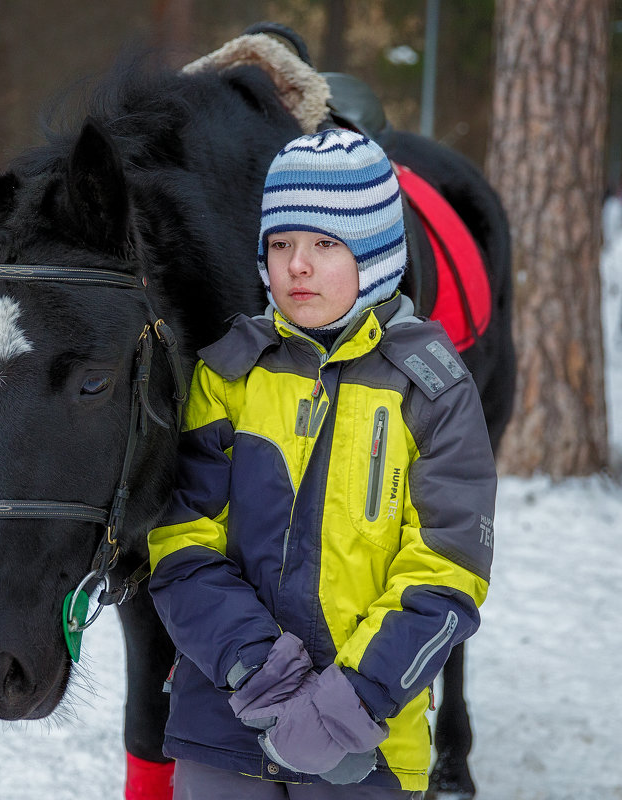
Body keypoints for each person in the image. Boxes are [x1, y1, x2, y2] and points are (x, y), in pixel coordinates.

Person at [147, 129, 496, 799]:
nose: (296, 267)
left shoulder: (432, 390)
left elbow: (446, 575)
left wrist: (348, 704)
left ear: (377, 255)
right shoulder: (228, 373)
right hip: (223, 732)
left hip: (368, 753)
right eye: (281, 245)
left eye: (325, 245)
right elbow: (179, 543)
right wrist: (262, 675)